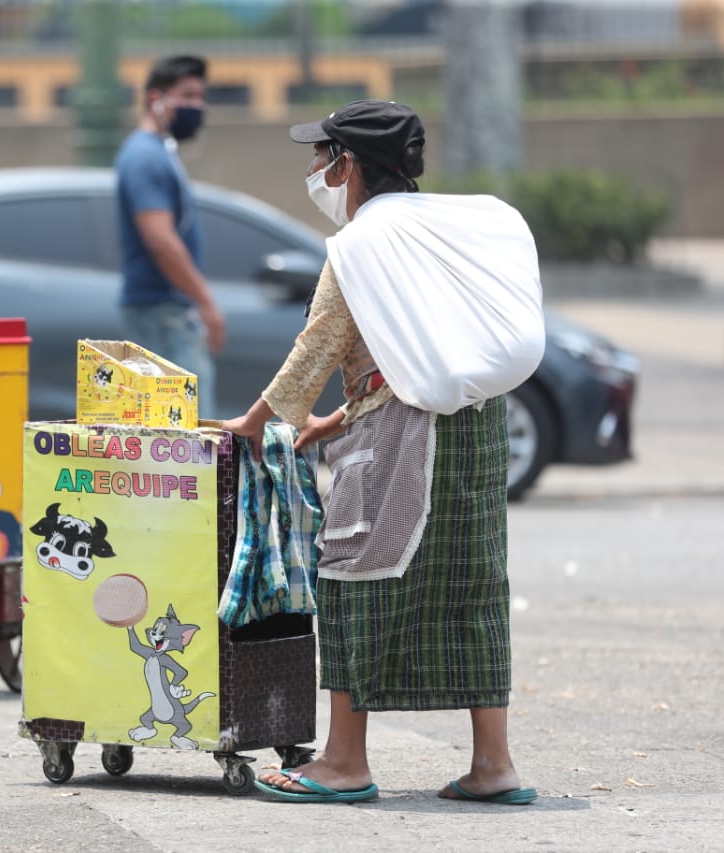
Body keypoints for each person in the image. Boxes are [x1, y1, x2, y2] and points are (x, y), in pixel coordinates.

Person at [223, 100, 544, 805]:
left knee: (351, 578)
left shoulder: (363, 246)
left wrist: (253, 423)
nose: (314, 170)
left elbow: (319, 345)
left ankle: (343, 762)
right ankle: (495, 764)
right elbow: (428, 349)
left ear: (349, 164)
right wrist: (334, 420)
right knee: (473, 587)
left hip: (402, 437)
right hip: (476, 430)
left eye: (321, 156)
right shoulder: (444, 231)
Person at [115, 54, 223, 418]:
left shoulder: (157, 152)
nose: (198, 106)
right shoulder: (145, 157)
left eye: (201, 97)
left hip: (167, 312)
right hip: (164, 315)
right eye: (188, 95)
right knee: (186, 442)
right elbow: (160, 239)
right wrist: (206, 302)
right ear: (155, 99)